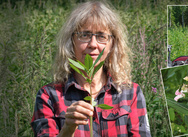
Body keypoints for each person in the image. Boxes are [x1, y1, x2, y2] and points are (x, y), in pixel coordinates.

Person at [31, 1, 151, 137]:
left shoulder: (130, 93)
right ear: (71, 42)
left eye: (101, 36)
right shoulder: (49, 96)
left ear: (112, 44)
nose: (93, 44)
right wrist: (68, 129)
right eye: (85, 35)